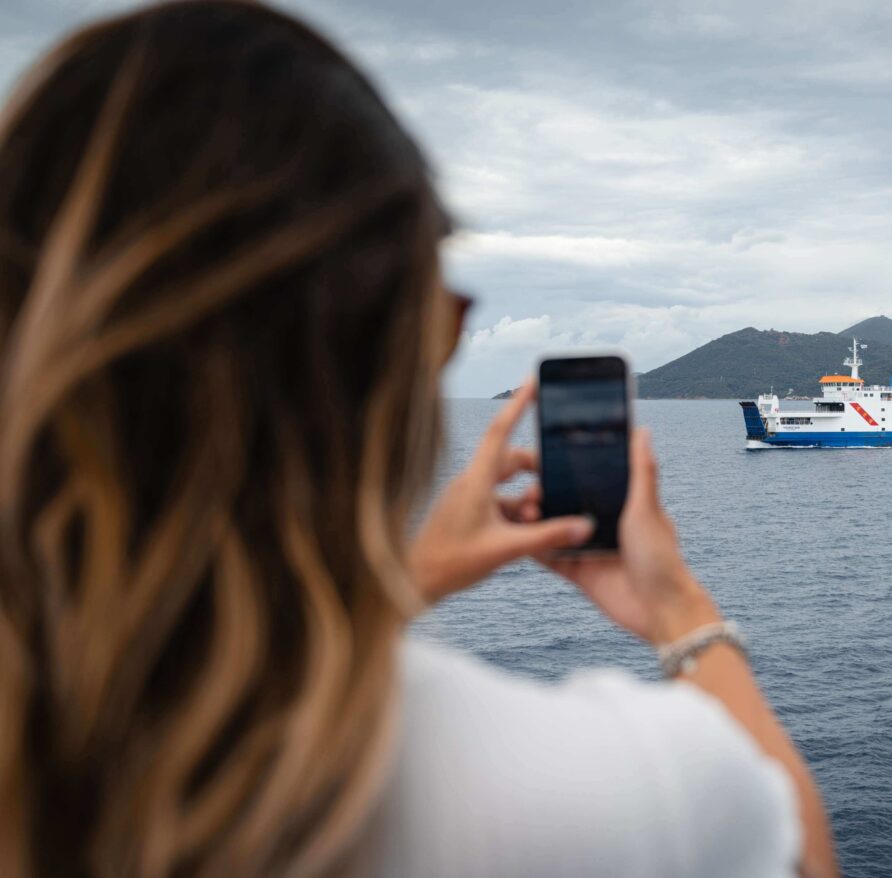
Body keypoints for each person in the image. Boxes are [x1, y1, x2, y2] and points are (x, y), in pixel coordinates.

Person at [0, 2, 838, 876]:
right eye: (441, 317)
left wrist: (407, 582)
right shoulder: (600, 794)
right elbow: (800, 853)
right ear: (382, 366)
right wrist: (681, 614)